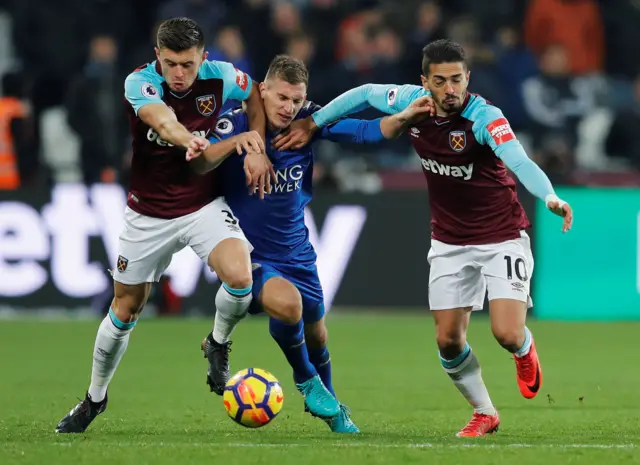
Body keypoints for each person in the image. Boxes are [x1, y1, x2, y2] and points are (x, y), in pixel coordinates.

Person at [273, 39, 574, 437]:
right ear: (425, 81)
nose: (450, 89)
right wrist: (314, 122)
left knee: (506, 332)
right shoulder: (411, 102)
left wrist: (549, 195)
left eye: (457, 80)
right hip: (449, 240)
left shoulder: (485, 117)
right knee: (448, 341)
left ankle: (523, 349)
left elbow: (519, 159)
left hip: (501, 235)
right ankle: (485, 412)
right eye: (440, 81)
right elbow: (363, 94)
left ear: (468, 77)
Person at [55, 17, 273, 434]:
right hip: (147, 214)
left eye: (187, 65)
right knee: (125, 309)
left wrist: (257, 143)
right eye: (171, 63)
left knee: (242, 277)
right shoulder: (139, 82)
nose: (179, 73)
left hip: (201, 206)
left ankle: (218, 343)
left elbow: (255, 96)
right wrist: (187, 137)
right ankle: (94, 398)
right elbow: (160, 119)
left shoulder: (223, 76)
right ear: (158, 57)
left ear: (203, 59)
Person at [193, 54, 401, 432]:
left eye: (296, 100)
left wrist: (406, 119)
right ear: (262, 91)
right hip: (246, 253)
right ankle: (306, 381)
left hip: (296, 253)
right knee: (288, 305)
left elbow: (363, 132)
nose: (289, 108)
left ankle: (333, 406)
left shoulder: (308, 123)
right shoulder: (233, 125)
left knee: (317, 332)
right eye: (281, 98)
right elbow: (198, 162)